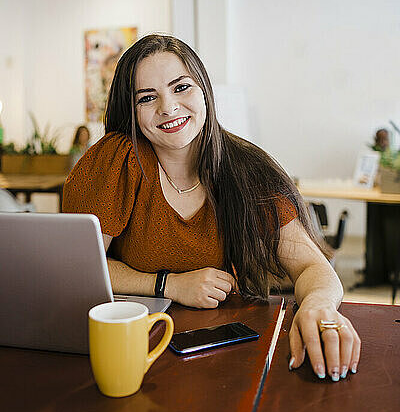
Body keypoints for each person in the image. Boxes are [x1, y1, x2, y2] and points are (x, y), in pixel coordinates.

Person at [63, 34, 360, 382]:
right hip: (127, 350)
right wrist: (168, 284)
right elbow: (78, 271)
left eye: (181, 87)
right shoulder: (117, 160)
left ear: (203, 88)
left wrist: (318, 307)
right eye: (147, 97)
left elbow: (313, 265)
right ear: (131, 110)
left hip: (219, 357)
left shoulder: (248, 169)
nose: (168, 108)